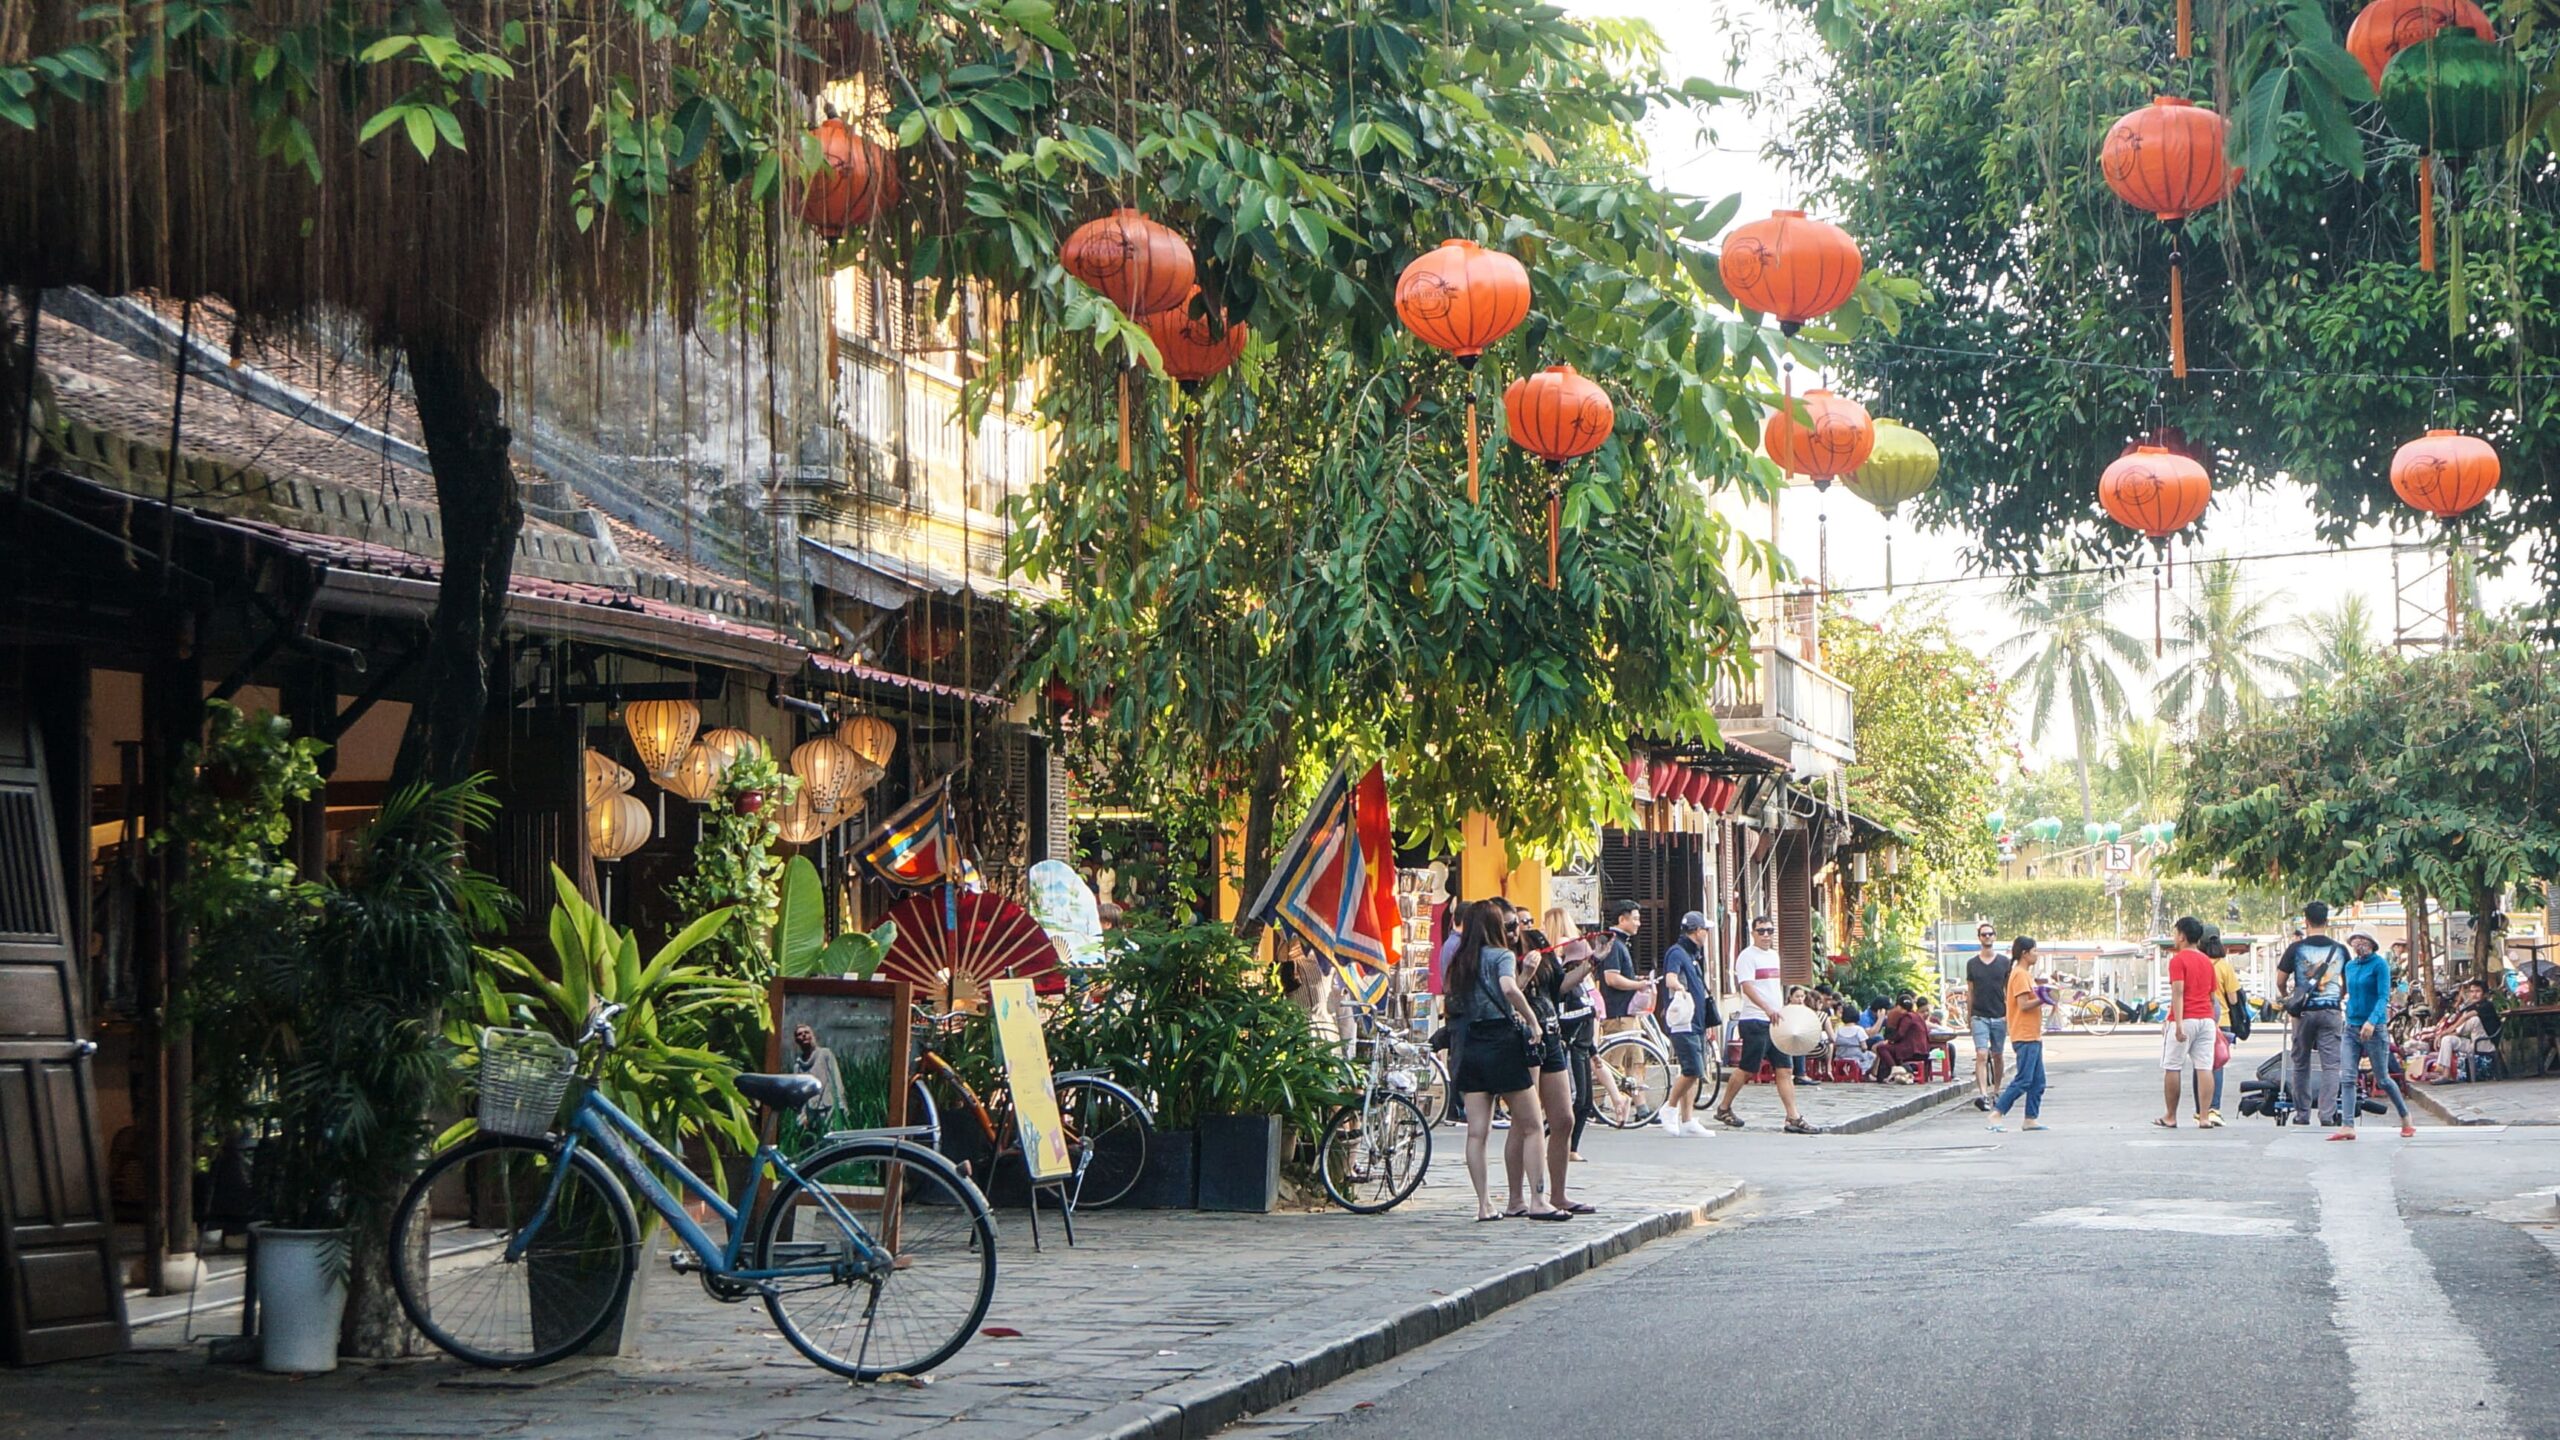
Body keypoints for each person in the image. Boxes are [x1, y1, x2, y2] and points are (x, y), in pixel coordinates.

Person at [1445, 904, 1560, 1222]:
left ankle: (1484, 1205)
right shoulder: (1502, 955)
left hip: (1471, 1044)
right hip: (1502, 1043)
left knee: (1476, 1133)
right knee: (1533, 1124)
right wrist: (1532, 1018)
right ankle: (1538, 1199)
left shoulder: (1460, 960)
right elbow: (1509, 988)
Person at [1709, 917, 1813, 1133]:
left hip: (1776, 1022)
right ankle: (1724, 1107)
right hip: (1755, 1020)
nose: (1766, 935)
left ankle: (1793, 1116)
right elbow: (1747, 987)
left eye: (1769, 931)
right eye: (1761, 931)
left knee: (1785, 1069)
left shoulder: (1774, 956)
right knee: (1747, 1069)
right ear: (1753, 933)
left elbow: (1774, 988)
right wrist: (1766, 1007)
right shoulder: (1747, 957)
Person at [1516, 926, 1593, 1211]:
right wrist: (1524, 973)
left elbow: (1559, 985)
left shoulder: (1538, 944)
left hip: (1551, 1036)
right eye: (1515, 922)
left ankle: (1558, 1194)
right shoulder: (1506, 954)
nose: (1522, 927)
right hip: (1525, 1040)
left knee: (1563, 1119)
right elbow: (1507, 994)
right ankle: (1518, 1199)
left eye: (1525, 921)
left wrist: (1591, 963)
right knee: (1525, 1123)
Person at [2277, 901, 2352, 1128]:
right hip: (2331, 1011)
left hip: (2303, 1013)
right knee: (2331, 1065)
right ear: (2326, 921)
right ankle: (2327, 1114)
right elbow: (2347, 982)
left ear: (2306, 921)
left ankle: (2302, 1114)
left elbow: (2280, 980)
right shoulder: (2340, 950)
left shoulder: (2296, 949)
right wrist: (2337, 998)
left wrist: (2288, 998)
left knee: (2301, 1063)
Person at [2337, 931, 2414, 1140]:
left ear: (2372, 943)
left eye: (2363, 940)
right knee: (2348, 1076)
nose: (2358, 944)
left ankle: (2406, 1117)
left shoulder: (2380, 965)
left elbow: (2383, 997)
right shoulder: (2350, 966)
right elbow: (2348, 993)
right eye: (2355, 940)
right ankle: (2347, 1125)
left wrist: (2372, 1021)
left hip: (2375, 1028)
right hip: (2352, 1026)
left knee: (2383, 1079)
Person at [1541, 906, 1599, 1161]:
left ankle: (1571, 1147)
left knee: (1584, 1100)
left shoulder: (1581, 977)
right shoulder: (1562, 971)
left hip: (1583, 1037)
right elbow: (1563, 1001)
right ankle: (1556, 1142)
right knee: (1574, 1098)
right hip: (1572, 1038)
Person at [1657, 913, 1716, 1135]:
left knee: (1691, 1070)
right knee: (1693, 1070)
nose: (1707, 934)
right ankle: (1669, 1107)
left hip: (1697, 1021)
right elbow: (1671, 977)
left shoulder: (1692, 954)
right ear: (1696, 930)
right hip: (1684, 1021)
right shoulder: (1677, 952)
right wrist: (1679, 988)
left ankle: (1688, 1118)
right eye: (1705, 930)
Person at [2158, 917, 2220, 1128]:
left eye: (2175, 933)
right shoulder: (2207, 961)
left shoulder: (2178, 960)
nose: (2174, 937)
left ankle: (2171, 1116)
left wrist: (2178, 1024)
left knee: (2173, 1066)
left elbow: (2178, 992)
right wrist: (2213, 1022)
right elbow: (2212, 997)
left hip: (2186, 1018)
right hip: (2206, 1019)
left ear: (2182, 936)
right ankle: (2204, 1117)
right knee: (2204, 1067)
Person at [1988, 936, 2051, 1131]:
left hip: (2032, 1033)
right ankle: (1997, 1112)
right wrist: (2044, 999)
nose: (2036, 955)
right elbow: (2023, 1005)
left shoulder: (2025, 974)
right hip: (2024, 1034)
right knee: (2024, 1078)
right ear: (2024, 953)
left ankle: (2030, 1118)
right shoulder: (2020, 974)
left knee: (2038, 1081)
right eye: (2034, 951)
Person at [1965, 922, 2011, 1111]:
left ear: (1995, 936)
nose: (1987, 937)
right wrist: (1969, 1016)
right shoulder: (1972, 964)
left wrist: (2009, 1014)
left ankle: (1997, 1091)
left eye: (1990, 934)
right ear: (1979, 938)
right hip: (1979, 1016)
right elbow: (1970, 991)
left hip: (1999, 1014)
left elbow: (2008, 990)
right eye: (1983, 935)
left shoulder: (2004, 962)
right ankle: (1983, 1094)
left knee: (1998, 1055)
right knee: (1981, 1054)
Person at [2208, 931, 2245, 1120]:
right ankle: (2214, 1107)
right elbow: (2233, 997)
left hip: (2205, 1020)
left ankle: (2201, 1109)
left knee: (2202, 1066)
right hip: (2223, 1021)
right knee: (2218, 1066)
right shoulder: (2224, 967)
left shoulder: (2202, 964)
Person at [1870, 995, 1932, 1080]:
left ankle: (1895, 1068)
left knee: (1882, 1048)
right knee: (1890, 1048)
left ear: (1899, 1007)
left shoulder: (1908, 1017)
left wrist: (1890, 1041)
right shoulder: (1916, 1016)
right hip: (1922, 1050)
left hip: (1913, 1051)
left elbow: (1900, 1034)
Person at [1831, 1006, 1873, 1078]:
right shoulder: (1859, 1029)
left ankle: (1845, 1071)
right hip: (1856, 1056)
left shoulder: (1838, 1029)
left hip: (1840, 1056)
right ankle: (1862, 1071)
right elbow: (1864, 1047)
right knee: (1872, 1056)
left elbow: (1835, 1044)